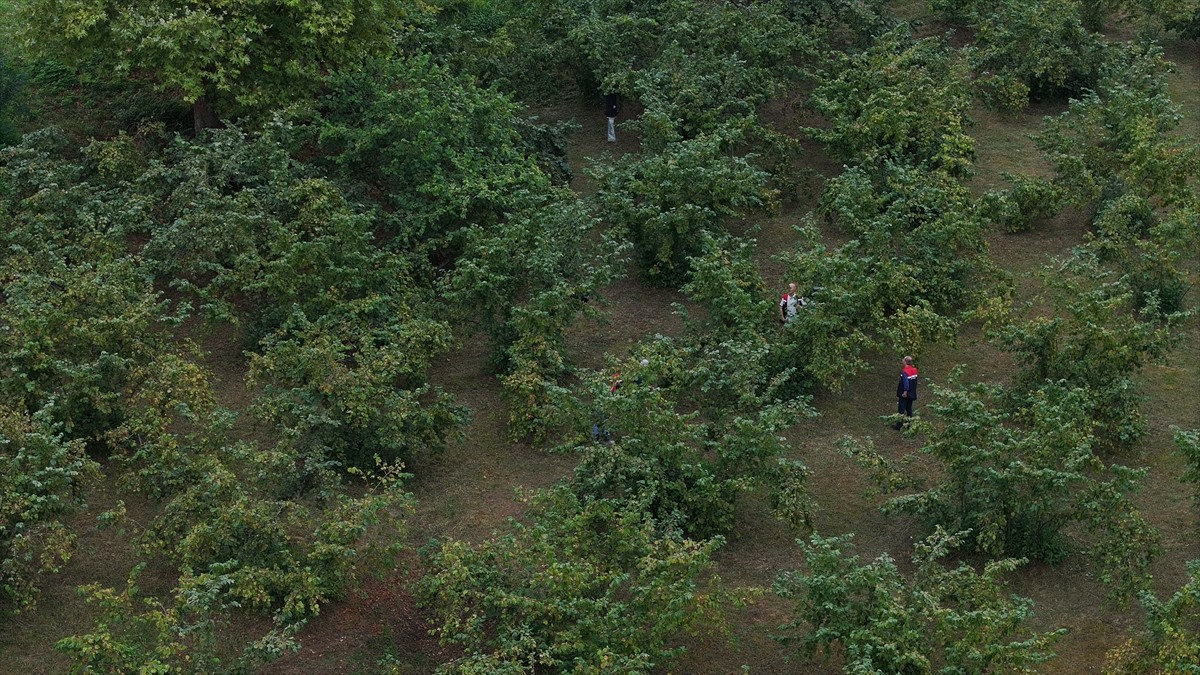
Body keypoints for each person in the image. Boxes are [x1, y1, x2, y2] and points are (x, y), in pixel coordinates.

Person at [893, 356, 919, 429]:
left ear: (905, 362)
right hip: (912, 393)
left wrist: (905, 392)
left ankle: (899, 425)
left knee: (901, 409)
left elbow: (906, 383)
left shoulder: (905, 371)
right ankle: (909, 424)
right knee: (909, 409)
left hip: (905, 394)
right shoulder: (915, 370)